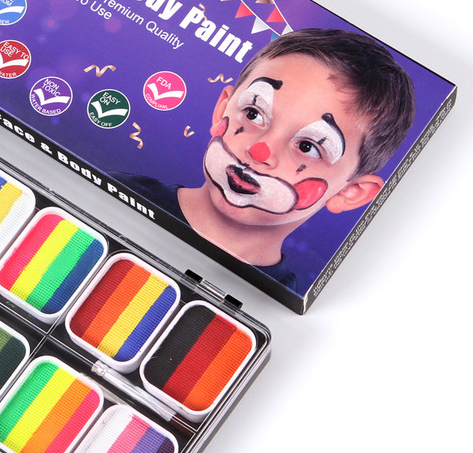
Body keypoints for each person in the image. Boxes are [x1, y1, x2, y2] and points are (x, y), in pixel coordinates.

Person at [117, 29, 416, 291]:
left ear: (350, 193)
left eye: (309, 147)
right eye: (253, 113)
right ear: (222, 110)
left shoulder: (274, 301)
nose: (260, 151)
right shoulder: (122, 190)